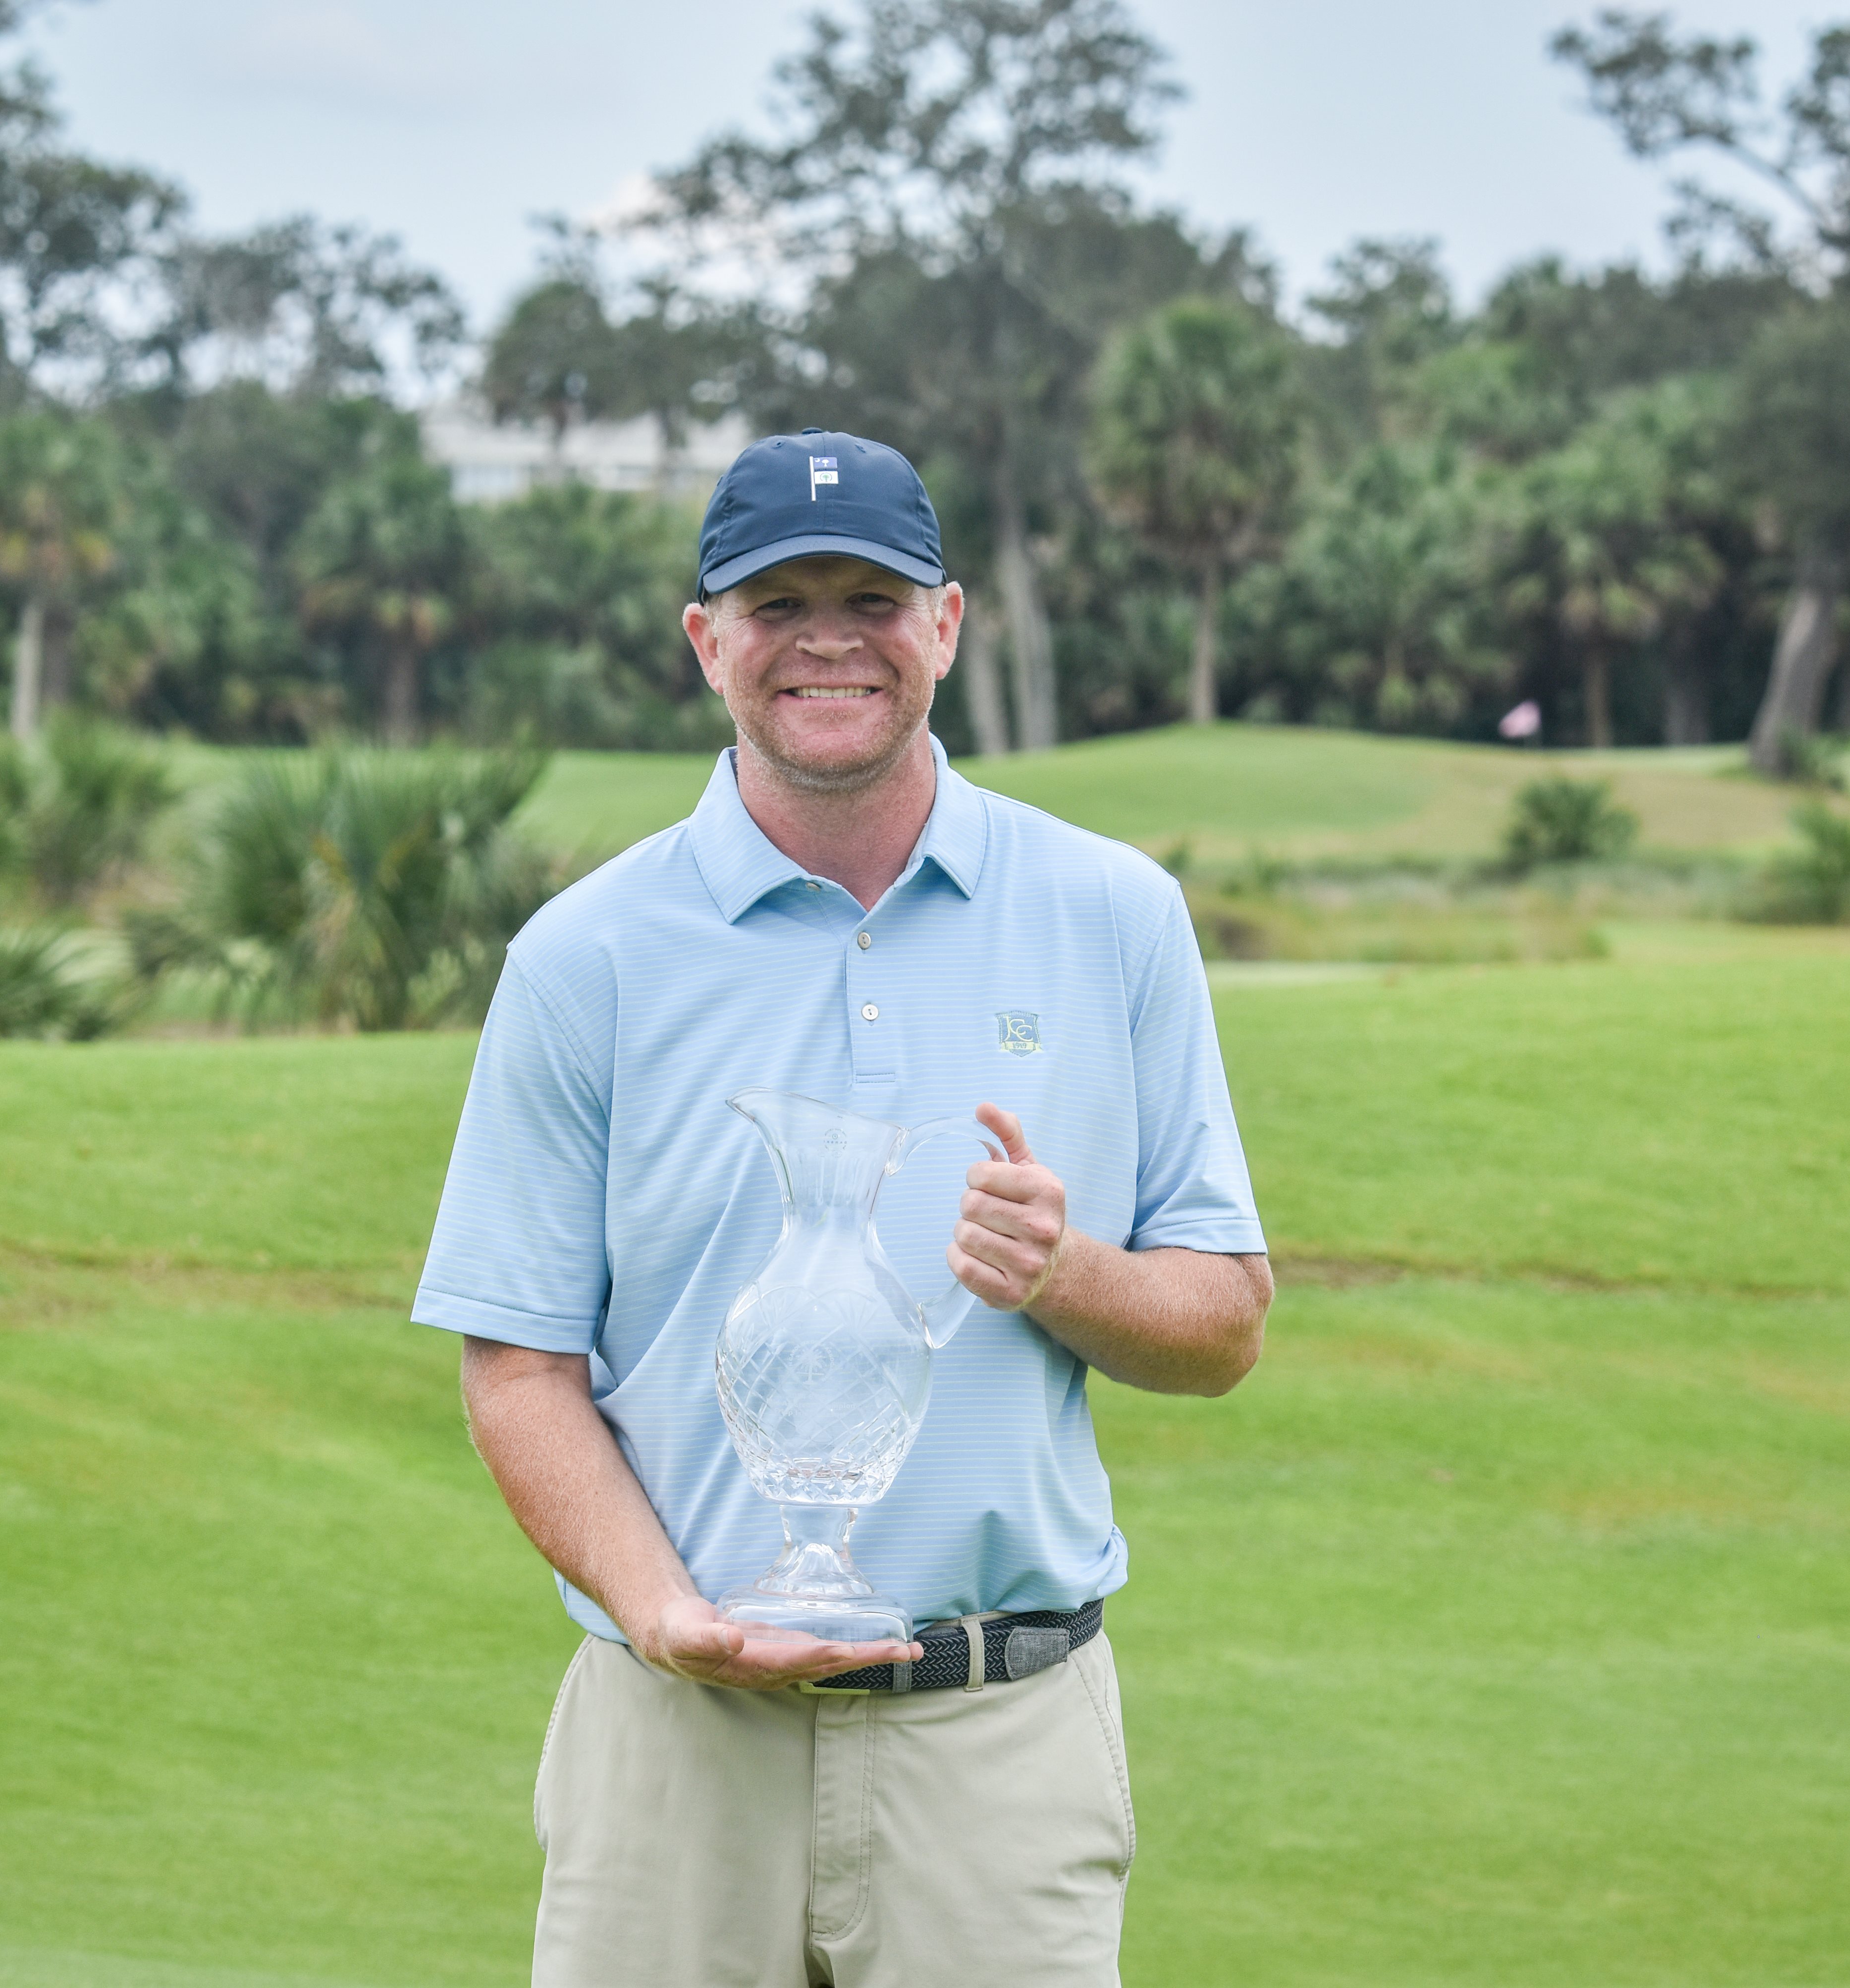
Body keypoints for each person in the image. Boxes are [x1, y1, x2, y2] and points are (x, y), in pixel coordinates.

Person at [411, 427, 1272, 1986]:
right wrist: (661, 1607)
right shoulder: (585, 957)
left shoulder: (1112, 913)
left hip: (996, 1741)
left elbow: (1222, 1326)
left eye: (871, 596)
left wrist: (1063, 1272)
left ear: (945, 625)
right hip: (676, 1741)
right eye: (776, 600)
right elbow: (518, 1365)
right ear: (706, 644)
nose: (828, 639)